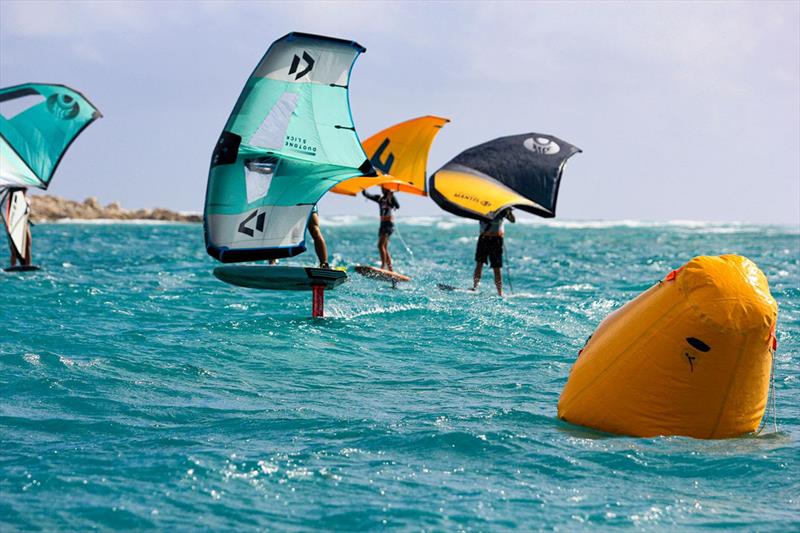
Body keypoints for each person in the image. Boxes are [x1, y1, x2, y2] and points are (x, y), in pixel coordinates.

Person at [473, 207, 515, 296]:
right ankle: (475, 287)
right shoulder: (481, 207)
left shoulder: (502, 209)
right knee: (479, 264)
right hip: (484, 238)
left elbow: (512, 220)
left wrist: (509, 212)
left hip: (496, 240)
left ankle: (500, 292)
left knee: (497, 267)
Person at [362, 187, 400, 271]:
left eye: (385, 188)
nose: (383, 189)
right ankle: (390, 269)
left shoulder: (391, 197)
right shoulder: (379, 198)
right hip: (382, 224)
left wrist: (391, 198)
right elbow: (367, 195)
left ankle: (383, 266)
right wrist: (364, 186)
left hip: (389, 224)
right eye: (382, 188)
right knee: (384, 247)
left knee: (380, 245)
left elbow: (397, 206)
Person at [6, 188, 32, 268]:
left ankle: (27, 265)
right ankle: (13, 265)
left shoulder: (28, 200)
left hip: (25, 225)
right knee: (14, 249)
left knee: (28, 246)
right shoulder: (13, 201)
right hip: (14, 225)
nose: (25, 191)